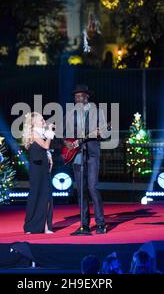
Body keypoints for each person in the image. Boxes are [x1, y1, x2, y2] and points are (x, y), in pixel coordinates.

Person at [65, 84, 108, 234]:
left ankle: (101, 223)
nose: (77, 98)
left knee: (92, 188)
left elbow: (104, 133)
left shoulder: (97, 111)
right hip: (77, 155)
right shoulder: (71, 113)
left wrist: (96, 133)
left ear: (87, 97)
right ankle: (84, 225)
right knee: (81, 190)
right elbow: (65, 134)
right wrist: (69, 144)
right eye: (75, 96)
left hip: (92, 155)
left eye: (80, 96)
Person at [22, 112, 54, 234]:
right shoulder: (34, 133)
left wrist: (49, 156)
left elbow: (44, 150)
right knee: (36, 196)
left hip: (42, 167)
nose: (44, 122)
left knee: (46, 196)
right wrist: (50, 131)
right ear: (33, 122)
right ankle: (31, 226)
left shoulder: (40, 133)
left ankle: (45, 226)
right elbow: (45, 146)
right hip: (37, 169)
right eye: (41, 120)